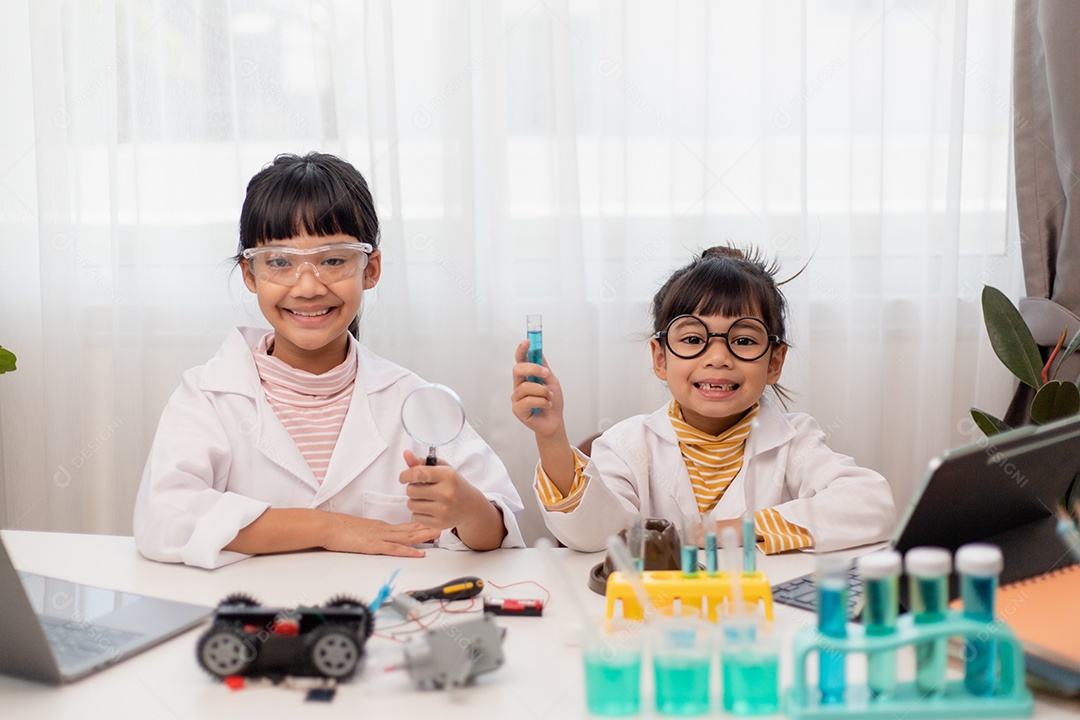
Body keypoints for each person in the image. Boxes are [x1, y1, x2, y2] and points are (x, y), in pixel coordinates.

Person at [135, 152, 524, 569]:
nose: (307, 287)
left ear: (370, 269)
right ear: (250, 274)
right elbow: (165, 520)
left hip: (377, 622)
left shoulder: (411, 400)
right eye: (280, 262)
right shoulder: (209, 395)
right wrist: (331, 527)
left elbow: (497, 533)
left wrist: (466, 508)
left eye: (333, 260)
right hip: (255, 618)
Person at [511, 245, 895, 553]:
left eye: (743, 340)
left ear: (774, 362)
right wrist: (552, 436)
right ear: (660, 358)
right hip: (658, 621)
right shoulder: (626, 444)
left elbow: (872, 505)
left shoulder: (795, 440)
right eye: (693, 339)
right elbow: (597, 536)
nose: (718, 357)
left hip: (758, 618)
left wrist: (730, 531)